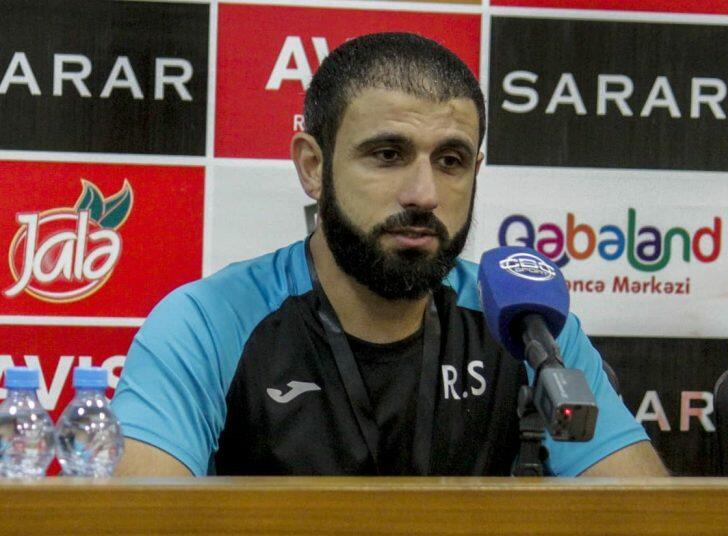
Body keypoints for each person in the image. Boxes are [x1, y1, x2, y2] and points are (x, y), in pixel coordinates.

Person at [112, 32, 667, 477]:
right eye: (387, 154)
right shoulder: (208, 323)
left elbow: (645, 517)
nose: (423, 194)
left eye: (450, 161)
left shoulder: (526, 326)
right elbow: (136, 522)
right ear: (313, 166)